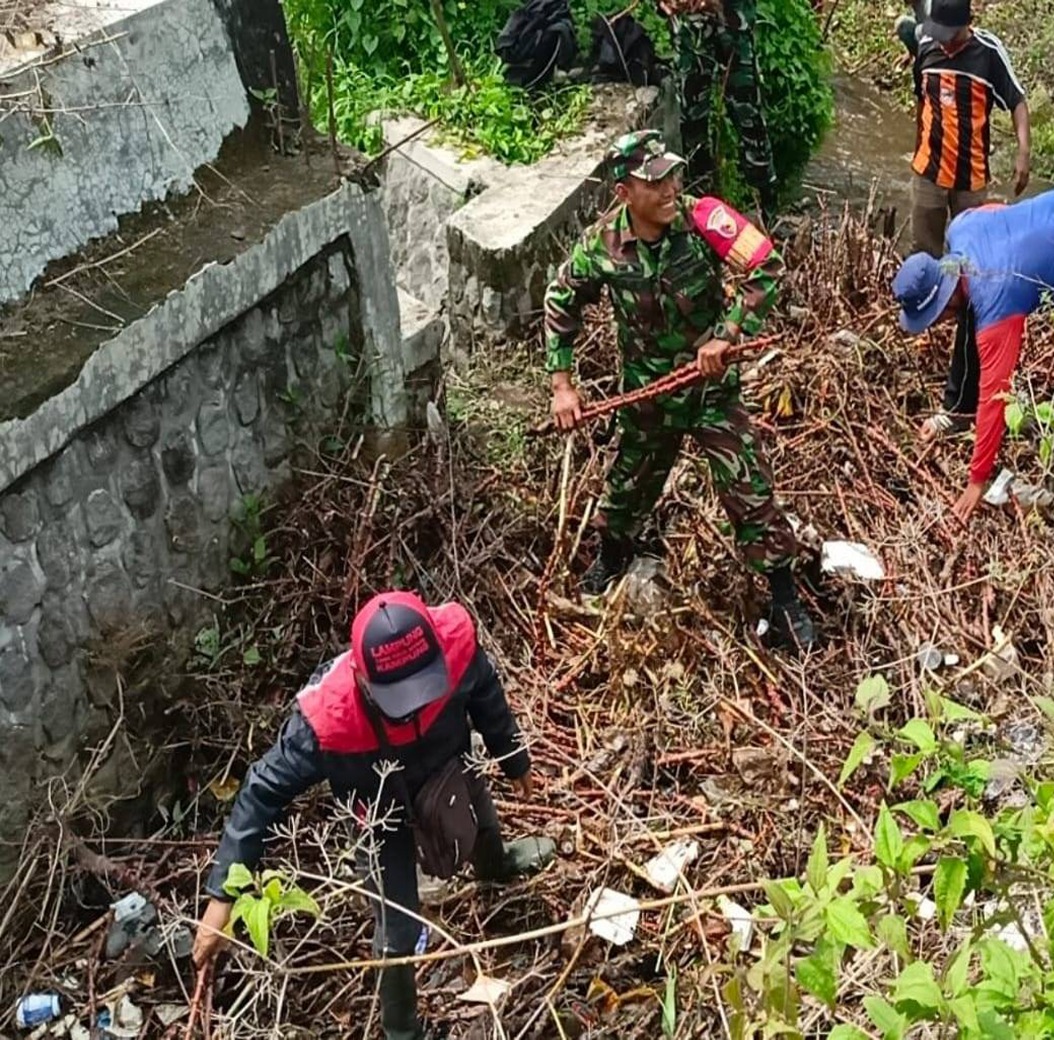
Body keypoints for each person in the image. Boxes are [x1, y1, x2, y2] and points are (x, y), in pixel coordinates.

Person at [191, 591, 555, 1040]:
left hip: (449, 769)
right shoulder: (328, 720)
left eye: (423, 685)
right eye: (400, 696)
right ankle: (401, 1029)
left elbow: (487, 696)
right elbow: (261, 791)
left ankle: (496, 867)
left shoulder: (457, 644)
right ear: (362, 679)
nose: (416, 704)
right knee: (397, 927)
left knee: (479, 817)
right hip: (378, 814)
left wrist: (514, 758)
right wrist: (223, 895)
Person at [543, 130, 818, 651]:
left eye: (671, 174)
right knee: (627, 490)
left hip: (713, 393)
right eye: (655, 181)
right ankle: (613, 558)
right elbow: (561, 300)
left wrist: (728, 333)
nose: (670, 188)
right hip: (649, 398)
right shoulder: (601, 246)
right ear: (624, 192)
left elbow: (767, 267)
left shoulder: (704, 218)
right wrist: (562, 385)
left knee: (750, 489)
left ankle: (784, 600)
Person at [891, 189, 1054, 522]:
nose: (937, 323)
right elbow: (998, 213)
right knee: (970, 305)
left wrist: (977, 480)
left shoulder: (997, 297)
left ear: (942, 300)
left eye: (935, 316)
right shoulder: (960, 229)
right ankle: (957, 410)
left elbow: (995, 394)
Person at [908, 0, 1029, 258]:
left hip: (970, 180)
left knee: (970, 259)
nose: (942, 42)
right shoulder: (927, 46)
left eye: (947, 36)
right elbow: (922, 97)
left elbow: (1017, 101)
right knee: (923, 255)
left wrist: (1023, 153)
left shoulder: (987, 53)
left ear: (966, 25)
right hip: (928, 171)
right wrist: (918, 144)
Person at [661, 0, 779, 213]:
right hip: (689, 29)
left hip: (732, 24)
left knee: (748, 117)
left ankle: (768, 212)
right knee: (691, 123)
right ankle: (700, 212)